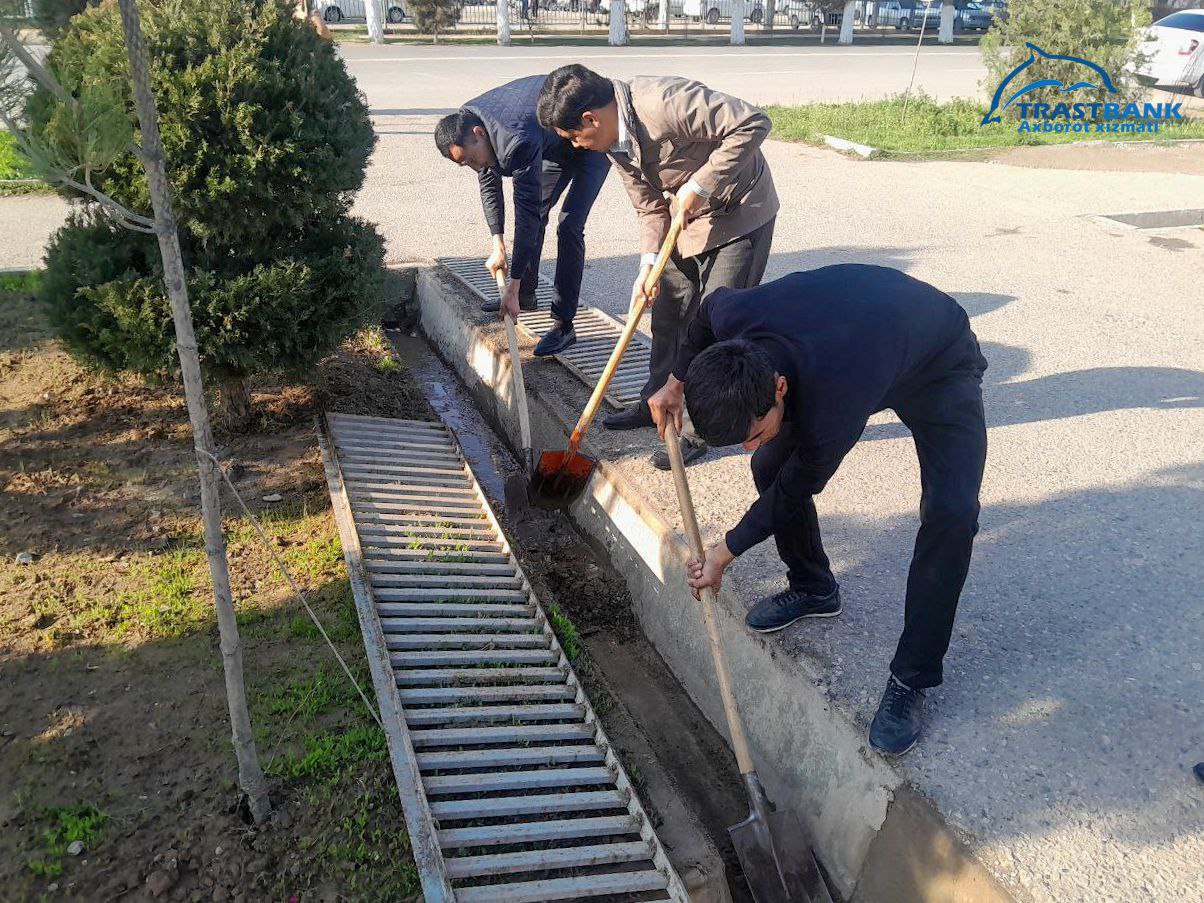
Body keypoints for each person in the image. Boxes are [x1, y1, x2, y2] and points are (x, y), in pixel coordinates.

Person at [649, 264, 989, 755]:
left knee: (952, 513)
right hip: (862, 335)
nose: (746, 448)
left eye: (753, 431)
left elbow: (796, 486)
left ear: (779, 388)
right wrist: (675, 382)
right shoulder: (735, 316)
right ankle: (813, 587)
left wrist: (725, 551)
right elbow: (704, 312)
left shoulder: (835, 404)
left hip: (937, 360)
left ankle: (911, 679)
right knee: (768, 464)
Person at [536, 64, 777, 470]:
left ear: (591, 119)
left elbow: (753, 122)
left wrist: (700, 185)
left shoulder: (665, 103)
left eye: (575, 137)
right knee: (669, 313)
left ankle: (697, 429)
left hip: (739, 211)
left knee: (715, 321)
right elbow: (648, 205)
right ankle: (656, 401)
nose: (576, 147)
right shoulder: (612, 142)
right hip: (686, 221)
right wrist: (647, 264)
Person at [435, 75, 609, 357]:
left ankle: (564, 325)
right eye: (462, 163)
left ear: (479, 134)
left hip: (591, 138)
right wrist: (498, 244)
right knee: (540, 210)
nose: (471, 166)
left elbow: (524, 215)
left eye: (469, 158)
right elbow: (489, 184)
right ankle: (526, 294)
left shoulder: (516, 140)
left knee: (569, 226)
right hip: (553, 141)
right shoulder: (469, 123)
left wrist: (509, 288)